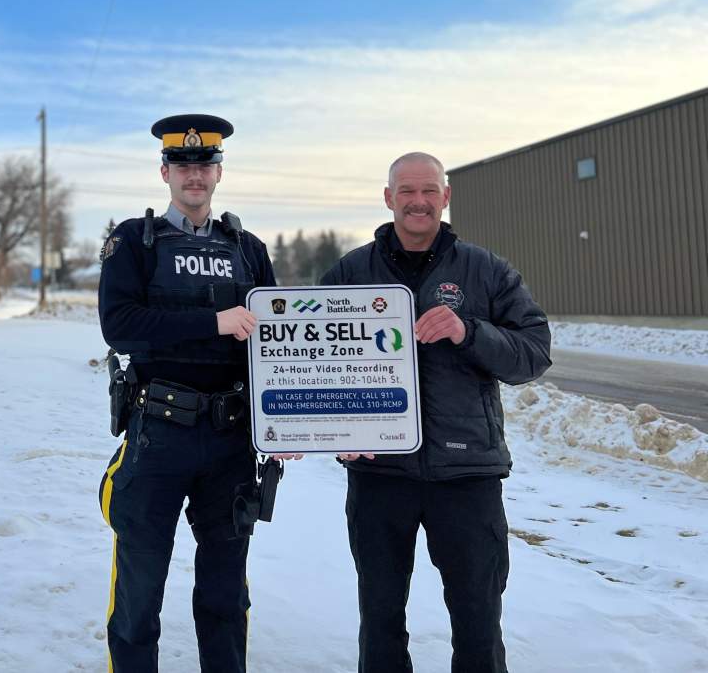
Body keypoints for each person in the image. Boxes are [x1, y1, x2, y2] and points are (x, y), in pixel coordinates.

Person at [321, 151, 551, 673]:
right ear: (388, 198)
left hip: (466, 474)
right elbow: (319, 366)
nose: (418, 202)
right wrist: (335, 429)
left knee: (477, 621)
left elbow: (534, 354)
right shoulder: (351, 272)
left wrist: (468, 330)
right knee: (379, 619)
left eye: (429, 191)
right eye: (406, 191)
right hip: (379, 474)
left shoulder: (486, 270)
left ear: (445, 197)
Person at [97, 114, 277, 673]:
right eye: (183, 165)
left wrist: (289, 419)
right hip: (158, 437)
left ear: (219, 173)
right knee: (139, 593)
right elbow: (120, 324)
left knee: (225, 597)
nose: (193, 175)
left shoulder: (248, 248)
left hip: (229, 441)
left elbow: (275, 344)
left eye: (204, 165)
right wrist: (214, 322)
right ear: (165, 172)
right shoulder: (133, 240)